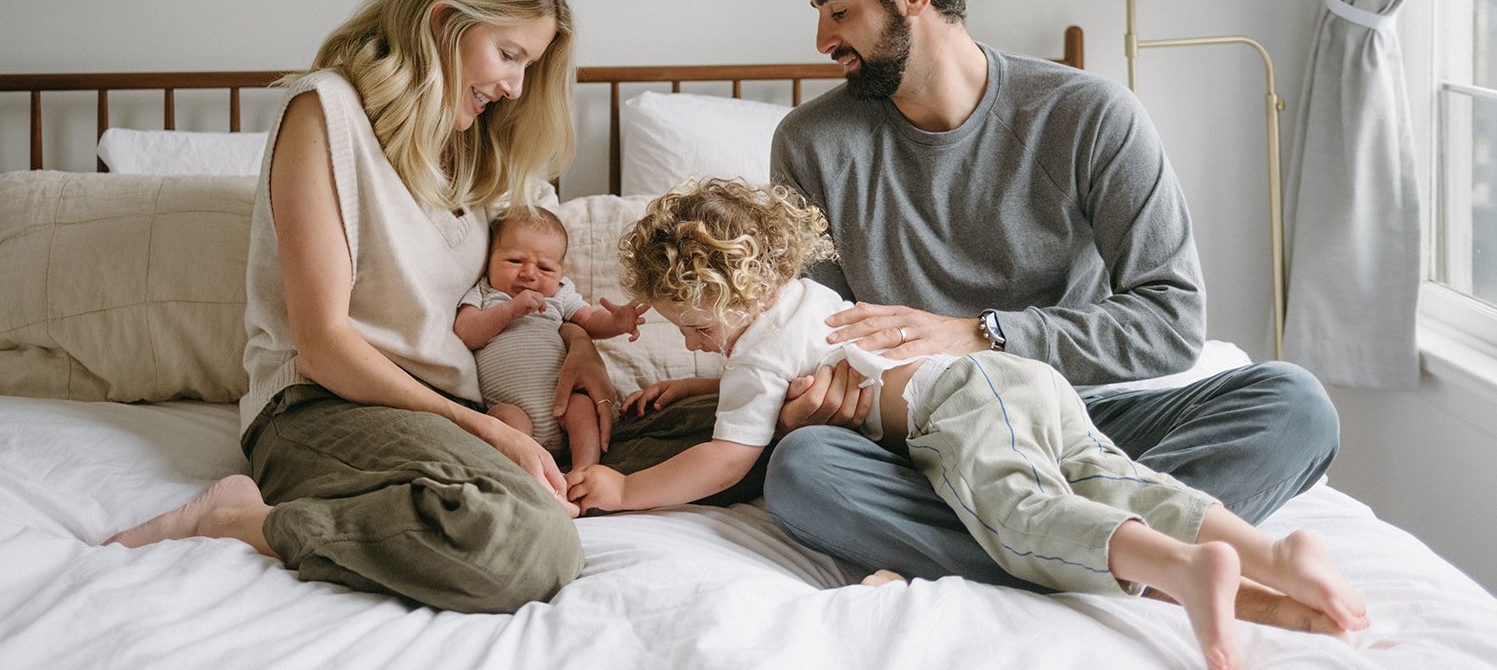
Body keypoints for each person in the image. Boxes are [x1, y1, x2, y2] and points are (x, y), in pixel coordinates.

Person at [762, 0, 1343, 607]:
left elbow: (1172, 319)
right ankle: (1136, 554)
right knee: (803, 468)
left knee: (1297, 405)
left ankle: (1046, 546)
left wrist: (982, 335)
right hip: (927, 434)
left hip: (1083, 423)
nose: (823, 39)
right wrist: (812, 398)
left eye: (839, 10)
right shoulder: (808, 144)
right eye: (819, 13)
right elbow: (818, 330)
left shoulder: (1092, 115)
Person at [568, 178, 1368, 670]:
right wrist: (700, 387)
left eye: (695, 327)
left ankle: (1182, 571)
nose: (696, 344)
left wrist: (625, 487)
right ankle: (1269, 553)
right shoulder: (802, 300)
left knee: (1027, 506)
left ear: (730, 299)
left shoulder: (753, 358)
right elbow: (766, 383)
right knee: (1114, 477)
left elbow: (723, 460)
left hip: (959, 408)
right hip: (1024, 385)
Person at [105, 0, 616, 612]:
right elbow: (322, 345)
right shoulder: (324, 112)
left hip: (450, 412)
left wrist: (581, 344)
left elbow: (540, 276)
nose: (515, 86)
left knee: (718, 427)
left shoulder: (472, 144)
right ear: (444, 22)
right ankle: (240, 520)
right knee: (530, 543)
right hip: (322, 405)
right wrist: (489, 431)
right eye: (509, 55)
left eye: (529, 66)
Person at [455, 207, 647, 469]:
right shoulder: (485, 293)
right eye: (514, 261)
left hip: (563, 402)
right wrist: (510, 310)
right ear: (489, 259)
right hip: (513, 410)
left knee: (581, 407)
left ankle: (584, 471)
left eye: (544, 268)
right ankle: (531, 474)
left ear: (560, 272)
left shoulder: (559, 294)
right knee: (503, 420)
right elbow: (466, 332)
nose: (529, 274)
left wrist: (616, 322)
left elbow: (589, 320)